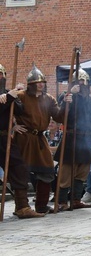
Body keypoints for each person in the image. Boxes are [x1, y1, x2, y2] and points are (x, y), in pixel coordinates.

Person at [14, 65, 64, 214]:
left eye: (42, 81)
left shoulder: (48, 99)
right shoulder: (21, 96)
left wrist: (67, 104)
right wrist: (13, 126)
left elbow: (59, 116)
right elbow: (7, 110)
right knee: (21, 172)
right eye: (37, 82)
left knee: (48, 171)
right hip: (24, 138)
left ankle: (41, 205)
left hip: (40, 138)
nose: (41, 84)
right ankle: (22, 207)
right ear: (31, 84)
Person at [0, 64, 44, 218]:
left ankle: (22, 207)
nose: (1, 78)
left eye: (1, 74)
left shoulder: (8, 94)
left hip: (4, 138)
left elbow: (19, 110)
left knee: (19, 168)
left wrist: (15, 96)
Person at [54, 68, 91, 210]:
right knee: (66, 173)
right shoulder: (67, 96)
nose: (83, 84)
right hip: (71, 138)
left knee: (82, 173)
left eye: (85, 81)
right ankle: (61, 201)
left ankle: (76, 200)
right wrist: (69, 96)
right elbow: (61, 115)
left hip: (86, 139)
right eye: (80, 81)